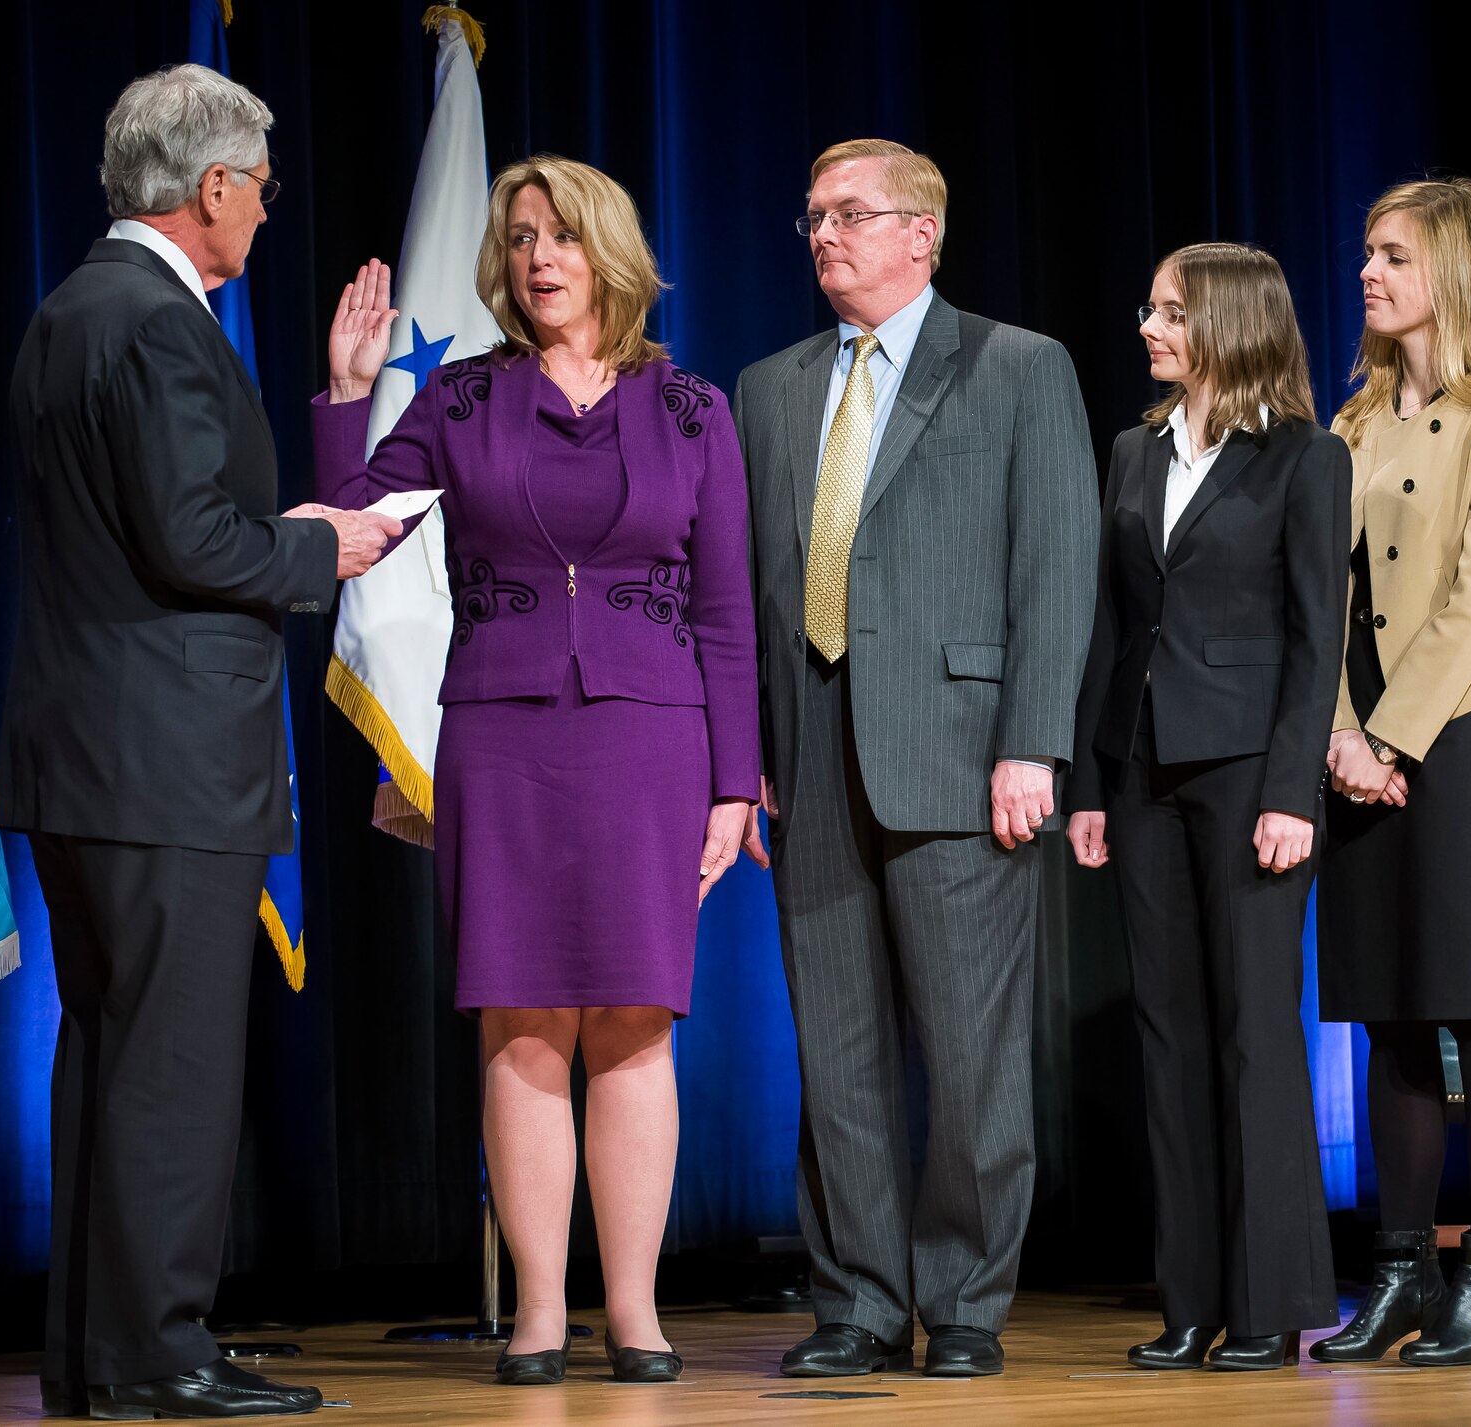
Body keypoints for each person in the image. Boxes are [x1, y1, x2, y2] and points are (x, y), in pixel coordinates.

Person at [310, 156, 760, 1386]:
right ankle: (540, 1313)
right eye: (518, 238)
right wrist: (349, 396)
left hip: (651, 736)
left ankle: (635, 1312)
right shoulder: (460, 401)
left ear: (607, 251)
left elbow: (725, 610)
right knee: (518, 1025)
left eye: (558, 235)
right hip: (503, 735)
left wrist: (738, 780)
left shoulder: (691, 410)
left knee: (630, 1021)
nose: (536, 256)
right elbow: (352, 524)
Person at [0, 65, 398, 1420]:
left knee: (108, 1056)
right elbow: (190, 541)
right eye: (264, 191)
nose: (270, 215)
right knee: (164, 1065)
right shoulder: (160, 326)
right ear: (214, 188)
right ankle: (165, 1349)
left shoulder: (68, 312)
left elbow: (138, 530)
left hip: (83, 753)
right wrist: (320, 541)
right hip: (163, 760)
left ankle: (97, 1347)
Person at [734, 139, 1097, 1379]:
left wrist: (1034, 744)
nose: (824, 233)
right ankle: (855, 1300)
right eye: (813, 214)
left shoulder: (1013, 366)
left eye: (849, 213)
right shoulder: (768, 387)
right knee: (832, 1052)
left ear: (920, 233)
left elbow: (1055, 568)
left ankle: (967, 1301)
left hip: (959, 752)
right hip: (813, 760)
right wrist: (750, 756)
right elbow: (745, 592)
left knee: (968, 1048)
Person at [1065, 244, 1348, 1371]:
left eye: (1171, 310)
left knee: (1252, 1034)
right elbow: (1107, 625)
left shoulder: (1302, 459)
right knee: (1167, 1033)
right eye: (1149, 306)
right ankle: (1188, 1299)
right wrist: (1090, 781)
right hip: (1141, 772)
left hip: (1246, 780)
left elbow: (1312, 636)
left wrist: (1292, 791)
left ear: (1229, 324)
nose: (1148, 324)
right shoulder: (1132, 449)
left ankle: (1271, 1299)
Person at [1313, 178, 1471, 1367]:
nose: (1367, 270)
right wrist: (1337, 730)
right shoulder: (1351, 421)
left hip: (1462, 729)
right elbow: (1321, 595)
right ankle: (1399, 1270)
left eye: (1393, 252)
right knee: (1385, 1012)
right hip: (1355, 742)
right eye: (1365, 250)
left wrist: (1391, 736)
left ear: (1453, 271)